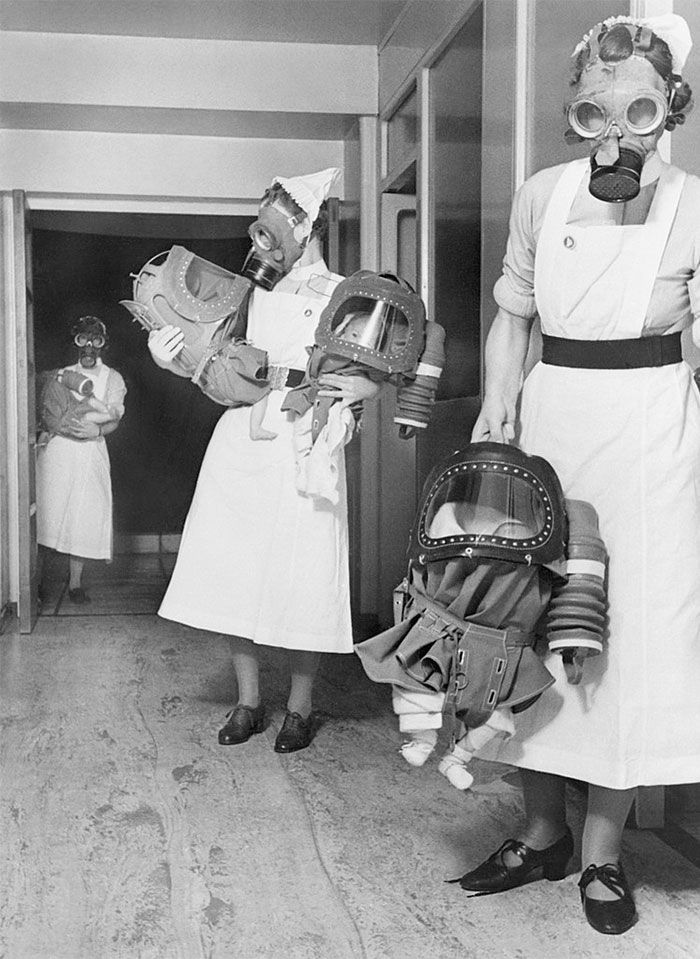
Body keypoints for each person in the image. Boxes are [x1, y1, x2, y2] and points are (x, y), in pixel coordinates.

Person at [465, 13, 700, 935]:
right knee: (527, 620)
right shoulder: (542, 194)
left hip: (652, 433)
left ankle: (602, 854)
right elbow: (512, 315)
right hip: (551, 419)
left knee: (624, 639)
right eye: (596, 110)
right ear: (575, 112)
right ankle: (540, 828)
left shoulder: (694, 202)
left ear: (667, 111)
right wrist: (497, 404)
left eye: (638, 110)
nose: (615, 132)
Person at [148, 168, 381, 753]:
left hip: (307, 434)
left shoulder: (347, 292)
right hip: (244, 437)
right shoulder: (247, 290)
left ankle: (300, 709)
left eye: (279, 222)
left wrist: (364, 393)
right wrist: (165, 356)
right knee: (237, 569)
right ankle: (248, 702)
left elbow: (378, 368)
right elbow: (209, 358)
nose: (264, 239)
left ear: (307, 225)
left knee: (306, 572)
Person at [36, 317, 126, 603]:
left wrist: (97, 429)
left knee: (83, 515)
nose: (89, 347)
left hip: (90, 452)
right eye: (83, 340)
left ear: (104, 345)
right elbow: (46, 408)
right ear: (75, 343)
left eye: (96, 341)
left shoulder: (113, 378)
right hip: (58, 454)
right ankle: (34, 584)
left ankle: (75, 584)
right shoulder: (61, 375)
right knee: (47, 513)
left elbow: (114, 417)